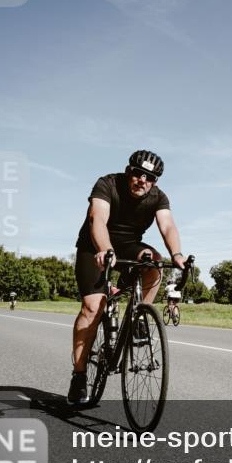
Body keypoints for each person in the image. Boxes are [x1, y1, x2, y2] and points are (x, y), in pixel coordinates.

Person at [68, 150, 187, 404]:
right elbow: (97, 219)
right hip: (95, 246)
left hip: (128, 245)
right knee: (92, 308)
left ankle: (140, 312)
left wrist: (176, 254)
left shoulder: (158, 197)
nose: (142, 180)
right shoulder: (108, 184)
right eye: (138, 173)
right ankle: (79, 376)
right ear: (128, 171)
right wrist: (104, 249)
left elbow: (167, 226)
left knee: (153, 262)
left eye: (150, 177)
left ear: (155, 181)